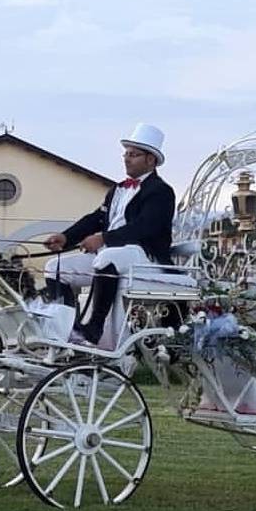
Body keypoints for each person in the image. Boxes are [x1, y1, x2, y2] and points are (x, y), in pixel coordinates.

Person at [43, 123, 175, 345]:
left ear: (150, 160)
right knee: (55, 268)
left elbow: (144, 227)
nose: (126, 158)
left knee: (107, 257)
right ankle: (67, 328)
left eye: (133, 154)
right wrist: (66, 238)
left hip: (143, 256)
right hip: (111, 256)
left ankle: (94, 328)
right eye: (126, 154)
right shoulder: (118, 189)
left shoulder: (161, 191)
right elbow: (96, 218)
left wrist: (104, 239)